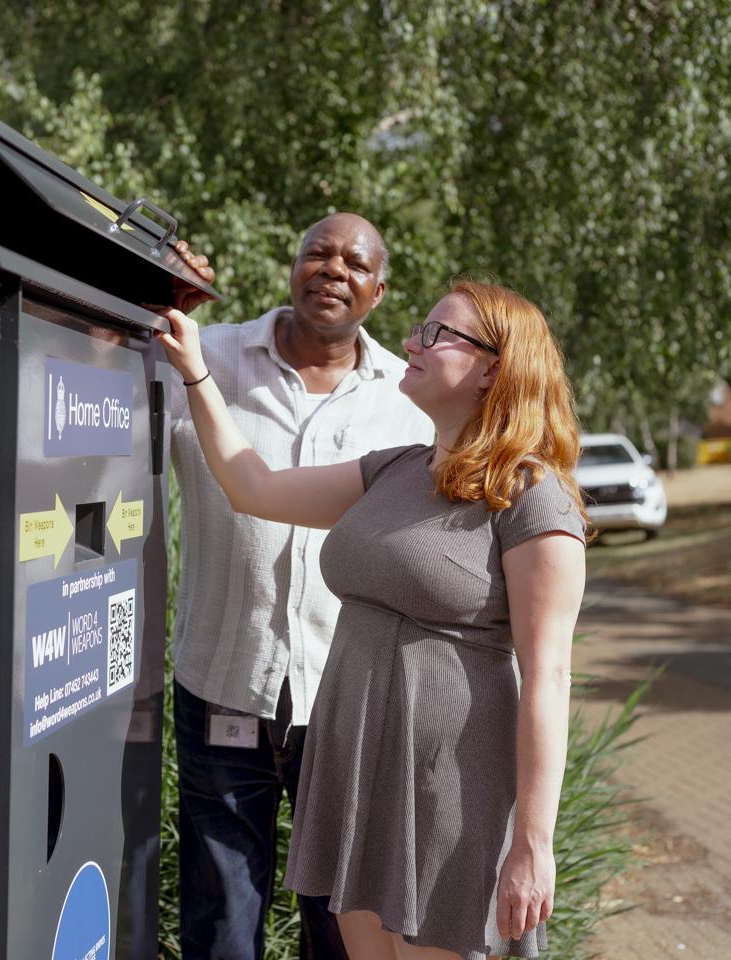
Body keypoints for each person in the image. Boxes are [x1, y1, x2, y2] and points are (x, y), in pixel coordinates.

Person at [157, 278, 588, 960]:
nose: (413, 342)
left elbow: (549, 678)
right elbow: (254, 487)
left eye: (439, 334)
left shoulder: (533, 497)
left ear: (493, 371)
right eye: (421, 328)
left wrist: (534, 847)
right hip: (359, 771)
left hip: (448, 789)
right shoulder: (395, 470)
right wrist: (197, 372)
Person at [168, 215, 435, 960]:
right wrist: (164, 291)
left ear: (377, 292)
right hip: (221, 680)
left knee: (339, 925)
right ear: (292, 267)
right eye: (318, 253)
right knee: (220, 924)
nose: (333, 270)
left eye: (355, 263)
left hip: (344, 703)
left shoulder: (404, 396)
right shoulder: (204, 354)